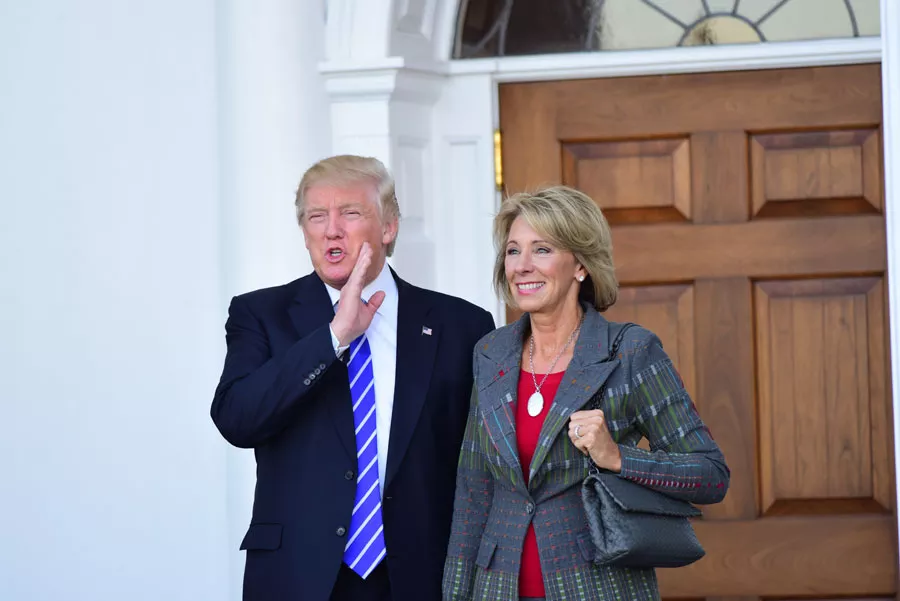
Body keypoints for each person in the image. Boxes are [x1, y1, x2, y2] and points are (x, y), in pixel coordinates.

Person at [211, 155, 495, 601]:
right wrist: (334, 336)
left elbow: (483, 461)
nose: (331, 229)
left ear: (388, 227)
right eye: (316, 216)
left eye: (350, 212)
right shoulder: (261, 315)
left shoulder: (462, 325)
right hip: (298, 577)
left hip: (422, 575)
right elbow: (237, 419)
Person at [442, 185, 729, 601]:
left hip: (595, 586)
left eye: (541, 250)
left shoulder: (629, 351)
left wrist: (617, 457)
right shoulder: (490, 352)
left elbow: (710, 475)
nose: (522, 266)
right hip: (497, 587)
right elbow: (473, 491)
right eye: (513, 251)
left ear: (580, 265)